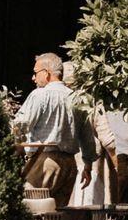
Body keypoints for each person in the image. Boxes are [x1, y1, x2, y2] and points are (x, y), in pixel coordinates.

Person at [11, 53, 81, 202]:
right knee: (58, 212)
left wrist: (11, 149)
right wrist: (87, 163)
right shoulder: (76, 97)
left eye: (35, 73)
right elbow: (86, 133)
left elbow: (21, 127)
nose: (33, 78)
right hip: (70, 164)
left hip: (45, 161)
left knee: (32, 207)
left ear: (47, 73)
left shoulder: (40, 95)